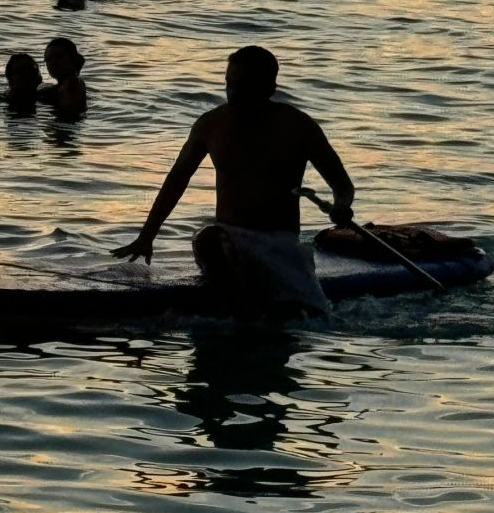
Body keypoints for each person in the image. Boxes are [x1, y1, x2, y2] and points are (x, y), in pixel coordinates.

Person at [113, 46, 355, 316]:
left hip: (281, 243)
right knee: (208, 238)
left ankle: (257, 313)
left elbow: (342, 184)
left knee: (309, 317)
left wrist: (342, 206)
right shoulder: (211, 124)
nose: (233, 92)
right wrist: (147, 236)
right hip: (229, 240)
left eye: (244, 85)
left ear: (269, 87)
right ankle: (239, 313)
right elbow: (176, 180)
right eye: (229, 83)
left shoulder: (298, 126)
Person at [38, 37, 87, 118]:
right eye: (49, 59)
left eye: (59, 57)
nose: (53, 63)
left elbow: (68, 113)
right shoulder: (73, 82)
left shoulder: (70, 86)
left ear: (72, 59)